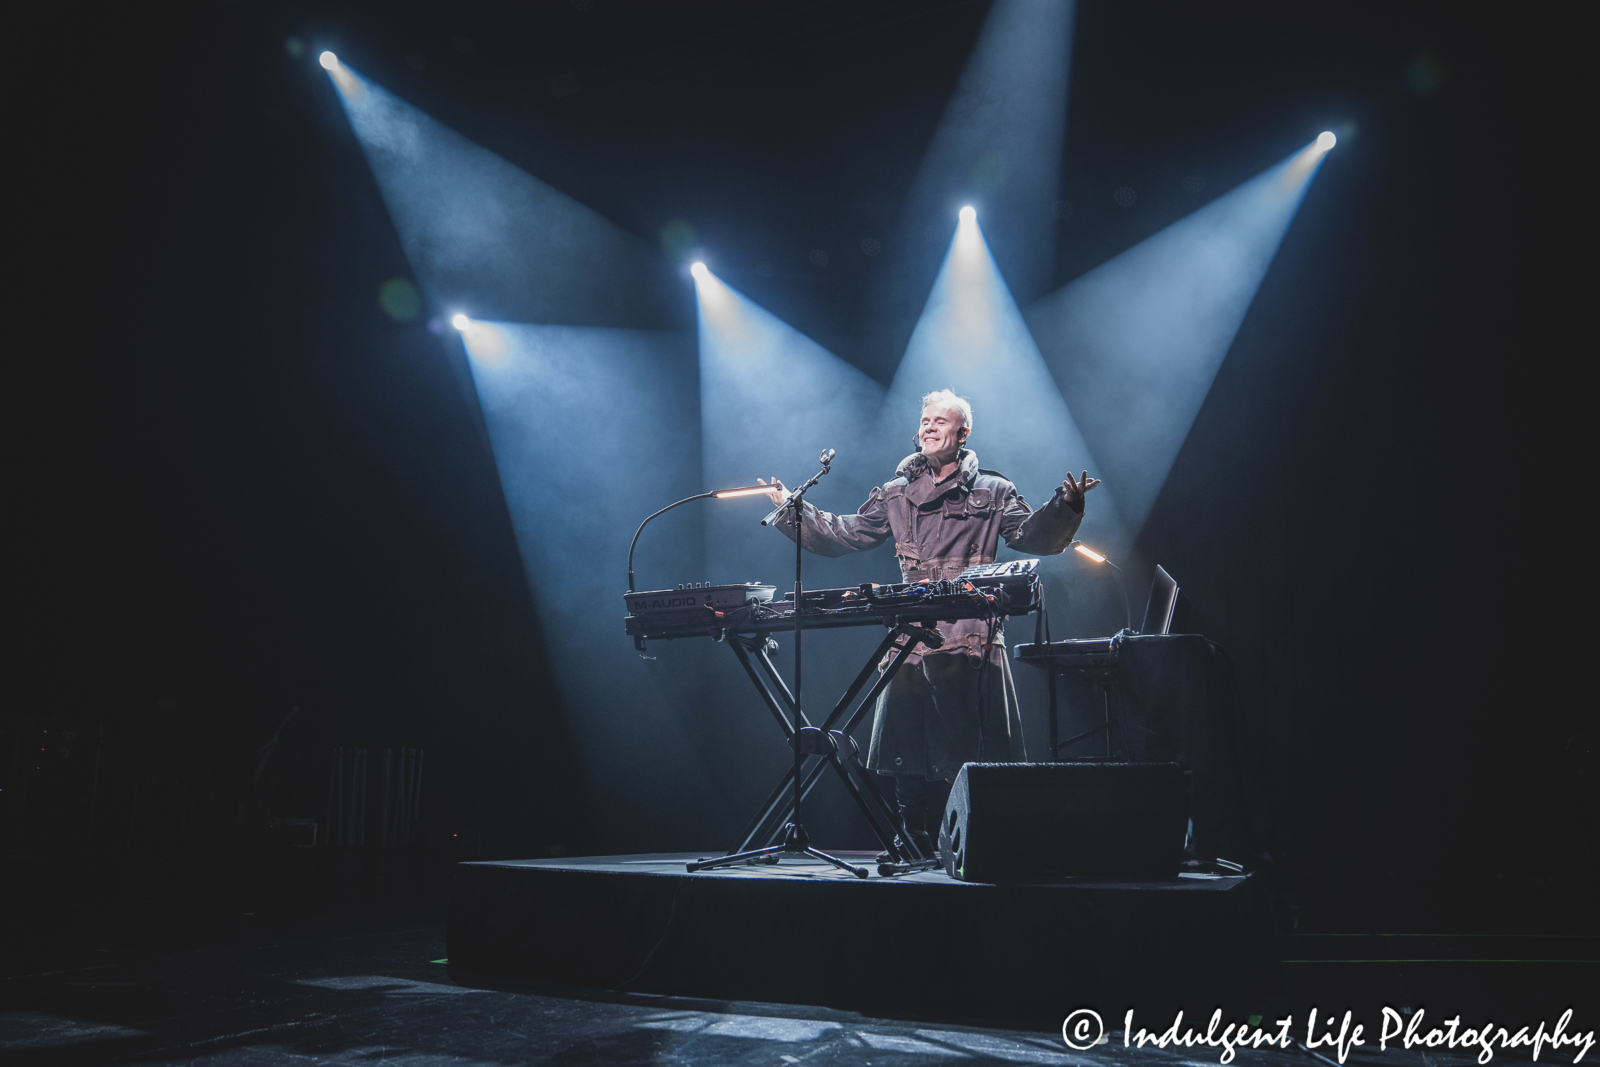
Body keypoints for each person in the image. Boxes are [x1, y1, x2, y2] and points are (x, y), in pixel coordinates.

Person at [760, 389, 1099, 857]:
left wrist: (1066, 506)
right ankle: (911, 833)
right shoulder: (896, 492)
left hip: (971, 633)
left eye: (940, 421)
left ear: (963, 433)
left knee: (974, 744)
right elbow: (847, 533)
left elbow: (1031, 537)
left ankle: (976, 835)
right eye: (924, 421)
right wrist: (793, 510)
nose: (928, 428)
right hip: (913, 632)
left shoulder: (993, 490)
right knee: (905, 737)